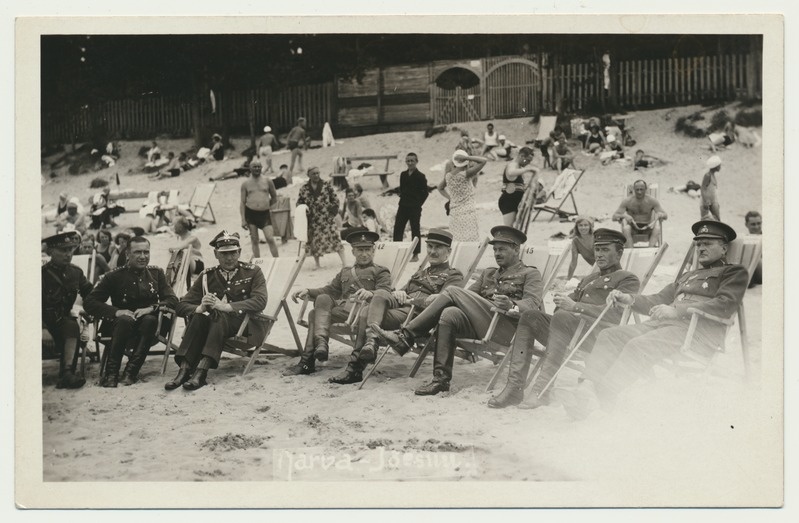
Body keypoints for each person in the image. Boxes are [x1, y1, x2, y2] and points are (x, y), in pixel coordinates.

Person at [564, 220, 749, 418]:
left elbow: (725, 304)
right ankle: (586, 387)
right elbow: (658, 299)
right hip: (664, 328)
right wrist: (629, 299)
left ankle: (603, 397)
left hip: (696, 334)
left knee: (638, 345)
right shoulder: (689, 275)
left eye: (707, 244)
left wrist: (678, 311)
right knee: (610, 335)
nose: (701, 248)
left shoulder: (734, 272)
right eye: (698, 244)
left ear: (724, 248)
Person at [374, 226, 544, 396]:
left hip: (505, 328)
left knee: (453, 291)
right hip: (482, 324)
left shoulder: (530, 273)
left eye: (502, 249)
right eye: (495, 249)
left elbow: (533, 303)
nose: (497, 253)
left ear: (516, 249)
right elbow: (468, 297)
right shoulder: (489, 273)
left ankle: (406, 336)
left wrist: (512, 305)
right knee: (450, 314)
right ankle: (440, 380)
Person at [489, 229, 640, 408]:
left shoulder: (628, 279)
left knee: (562, 317)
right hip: (568, 332)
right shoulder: (589, 279)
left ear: (619, 252)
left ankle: (541, 390)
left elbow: (616, 315)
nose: (599, 255)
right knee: (530, 316)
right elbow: (568, 304)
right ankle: (514, 387)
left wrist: (574, 307)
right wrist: (562, 301)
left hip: (596, 337)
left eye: (605, 250)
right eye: (597, 249)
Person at [329, 229, 465, 384]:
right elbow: (401, 290)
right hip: (402, 308)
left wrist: (419, 299)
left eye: (437, 248)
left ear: (448, 251)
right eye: (430, 247)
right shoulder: (421, 273)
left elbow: (447, 298)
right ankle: (372, 341)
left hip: (417, 315)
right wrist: (399, 293)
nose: (432, 252)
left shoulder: (454, 275)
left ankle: (354, 368)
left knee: (367, 311)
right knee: (379, 294)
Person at [165, 231, 268, 391]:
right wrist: (200, 308)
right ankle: (184, 370)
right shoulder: (207, 275)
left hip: (247, 328)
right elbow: (181, 306)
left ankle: (201, 372)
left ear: (239, 252)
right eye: (224, 254)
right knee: (199, 317)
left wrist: (226, 307)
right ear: (216, 254)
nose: (229, 258)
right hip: (217, 327)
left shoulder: (253, 272)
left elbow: (260, 301)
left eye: (233, 252)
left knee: (218, 314)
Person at [284, 230, 392, 377]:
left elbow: (385, 292)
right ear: (353, 251)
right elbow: (330, 290)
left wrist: (371, 293)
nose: (364, 254)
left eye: (367, 250)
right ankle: (321, 344)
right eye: (360, 250)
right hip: (342, 312)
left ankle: (307, 361)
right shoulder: (345, 271)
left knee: (313, 314)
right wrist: (308, 290)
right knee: (322, 299)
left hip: (361, 314)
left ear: (373, 251)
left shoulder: (381, 271)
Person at [83, 236, 178, 387]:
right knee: (124, 319)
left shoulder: (156, 274)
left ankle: (130, 372)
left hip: (150, 328)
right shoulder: (113, 276)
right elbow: (90, 302)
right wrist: (116, 312)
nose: (143, 257)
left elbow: (172, 300)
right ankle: (111, 374)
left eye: (146, 252)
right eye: (137, 252)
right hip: (119, 327)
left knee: (149, 320)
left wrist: (151, 308)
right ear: (127, 254)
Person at [41, 231, 93, 389]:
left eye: (70, 250)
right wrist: (42, 328)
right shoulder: (41, 275)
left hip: (61, 320)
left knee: (71, 325)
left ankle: (67, 374)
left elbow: (90, 293)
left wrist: (90, 309)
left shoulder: (75, 272)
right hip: (41, 321)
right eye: (63, 250)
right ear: (50, 252)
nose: (68, 254)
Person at [297, 166, 347, 269]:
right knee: (314, 241)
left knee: (335, 238)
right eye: (313, 174)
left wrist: (332, 213)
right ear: (308, 175)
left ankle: (345, 262)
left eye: (317, 173)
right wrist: (303, 211)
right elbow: (299, 203)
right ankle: (317, 264)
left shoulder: (326, 185)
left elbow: (335, 200)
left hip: (326, 218)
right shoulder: (304, 188)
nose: (316, 175)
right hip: (312, 220)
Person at [438, 150, 486, 242]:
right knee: (470, 239)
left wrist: (450, 198)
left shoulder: (448, 176)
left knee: (456, 239)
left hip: (455, 211)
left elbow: (440, 188)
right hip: (468, 211)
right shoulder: (466, 174)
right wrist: (467, 158)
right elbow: (483, 161)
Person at [240, 159, 279, 259]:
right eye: (254, 167)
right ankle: (258, 262)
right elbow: (243, 202)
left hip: (265, 214)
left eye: (258, 166)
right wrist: (243, 219)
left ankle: (277, 260)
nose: (257, 168)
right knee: (254, 239)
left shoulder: (267, 181)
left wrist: (268, 206)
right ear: (250, 168)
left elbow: (274, 197)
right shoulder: (246, 183)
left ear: (261, 168)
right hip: (251, 214)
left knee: (270, 238)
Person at [392, 152, 428, 261]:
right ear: (406, 162)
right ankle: (396, 251)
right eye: (408, 161)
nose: (410, 163)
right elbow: (402, 189)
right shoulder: (403, 175)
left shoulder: (421, 176)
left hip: (415, 207)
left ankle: (415, 254)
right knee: (398, 228)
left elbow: (425, 193)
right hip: (403, 205)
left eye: (412, 160)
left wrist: (418, 204)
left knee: (415, 229)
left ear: (416, 162)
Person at [612, 180, 668, 248]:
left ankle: (649, 251)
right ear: (633, 189)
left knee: (657, 229)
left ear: (646, 189)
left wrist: (660, 215)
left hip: (648, 227)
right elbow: (614, 217)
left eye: (641, 189)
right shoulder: (628, 201)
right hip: (633, 228)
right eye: (637, 190)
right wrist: (624, 215)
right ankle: (631, 251)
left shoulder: (652, 201)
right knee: (626, 229)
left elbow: (665, 215)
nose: (639, 192)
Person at [498, 146, 538, 227]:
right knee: (508, 230)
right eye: (527, 160)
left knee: (514, 230)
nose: (528, 163)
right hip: (508, 202)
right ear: (522, 156)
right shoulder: (513, 165)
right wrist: (528, 170)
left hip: (515, 201)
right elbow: (511, 172)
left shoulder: (518, 167)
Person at [169, 217, 205, 289]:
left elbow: (178, 248)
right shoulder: (179, 237)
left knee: (184, 255)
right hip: (185, 264)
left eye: (174, 225)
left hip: (196, 263)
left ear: (181, 227)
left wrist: (170, 249)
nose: (173, 227)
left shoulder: (192, 238)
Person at [701, 156, 722, 221]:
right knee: (704, 220)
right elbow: (703, 188)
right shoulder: (708, 175)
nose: (720, 167)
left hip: (713, 201)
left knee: (718, 220)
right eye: (719, 165)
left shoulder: (713, 175)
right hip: (706, 202)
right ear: (715, 166)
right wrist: (706, 200)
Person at [744, 211, 762, 287]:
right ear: (746, 225)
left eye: (759, 223)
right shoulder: (745, 240)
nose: (757, 227)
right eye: (753, 224)